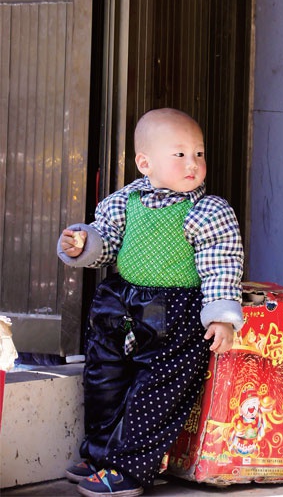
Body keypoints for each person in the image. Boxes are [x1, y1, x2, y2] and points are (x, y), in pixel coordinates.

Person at [57, 108, 244, 497]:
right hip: (120, 302)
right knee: (103, 380)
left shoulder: (208, 211)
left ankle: (128, 470)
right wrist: (82, 243)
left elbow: (222, 265)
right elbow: (104, 242)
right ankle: (98, 455)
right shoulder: (124, 202)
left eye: (199, 153)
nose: (193, 164)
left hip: (174, 313)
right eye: (180, 154)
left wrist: (221, 316)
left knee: (155, 392)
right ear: (145, 162)